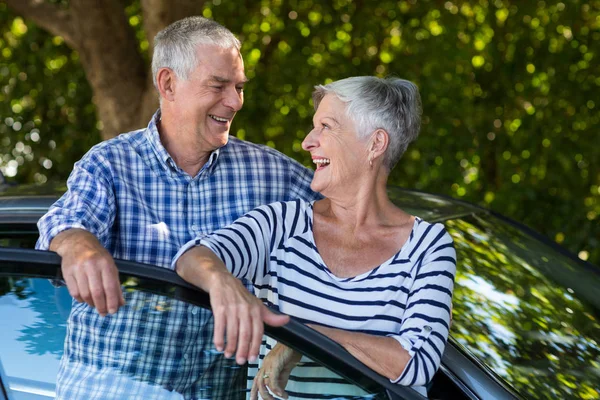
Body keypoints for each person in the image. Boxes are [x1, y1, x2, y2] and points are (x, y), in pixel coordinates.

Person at [36, 16, 320, 400]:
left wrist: (291, 344)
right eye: (219, 86)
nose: (235, 102)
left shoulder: (272, 174)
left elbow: (357, 229)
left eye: (238, 87)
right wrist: (78, 247)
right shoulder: (110, 164)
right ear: (168, 84)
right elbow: (65, 225)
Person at [175, 76, 457, 399]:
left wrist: (304, 338)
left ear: (375, 144)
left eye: (326, 126)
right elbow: (193, 257)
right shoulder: (283, 224)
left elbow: (416, 363)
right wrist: (223, 284)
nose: (308, 141)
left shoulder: (429, 248)